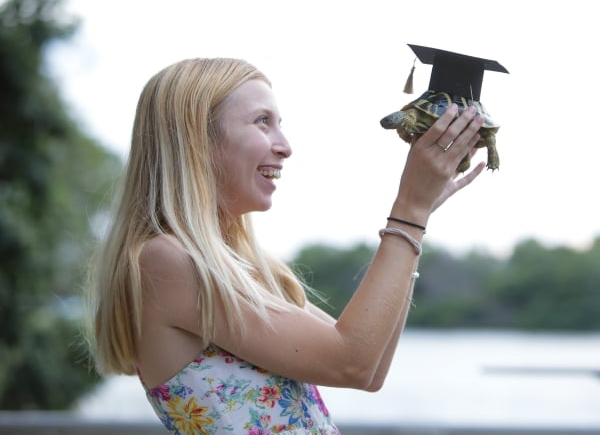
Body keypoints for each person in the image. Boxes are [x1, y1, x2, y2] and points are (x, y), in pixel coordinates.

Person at [87, 57, 485, 434]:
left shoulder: (245, 268)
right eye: (263, 122)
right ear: (196, 141)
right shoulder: (167, 261)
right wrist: (409, 211)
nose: (285, 145)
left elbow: (373, 368)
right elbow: (352, 364)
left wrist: (417, 221)